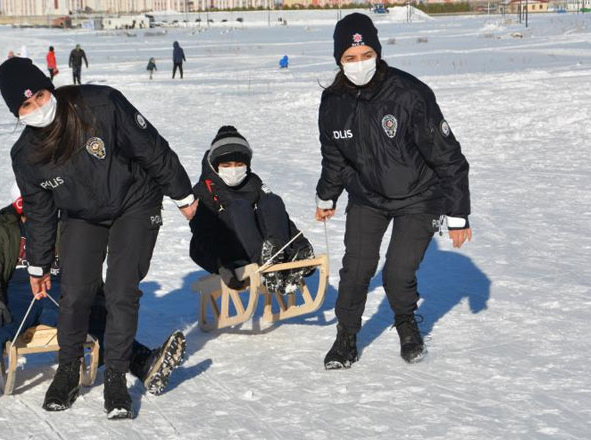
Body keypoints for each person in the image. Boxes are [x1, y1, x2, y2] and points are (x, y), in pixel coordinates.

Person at [0, 58, 197, 419]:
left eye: (40, 96)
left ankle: (117, 376)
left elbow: (151, 148)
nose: (37, 107)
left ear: (49, 87)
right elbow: (40, 213)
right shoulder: (26, 156)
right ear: (17, 112)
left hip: (134, 202)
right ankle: (68, 370)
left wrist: (182, 194)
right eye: (26, 105)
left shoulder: (101, 105)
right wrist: (39, 264)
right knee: (74, 292)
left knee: (121, 291)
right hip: (81, 215)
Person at [0, 185, 187, 409]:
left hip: (59, 286)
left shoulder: (64, 224)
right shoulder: (6, 228)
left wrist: (96, 296)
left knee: (88, 319)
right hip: (19, 289)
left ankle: (144, 362)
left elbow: (84, 262)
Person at [315, 14, 472, 369]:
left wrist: (459, 214)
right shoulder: (333, 102)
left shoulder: (409, 94)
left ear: (378, 52)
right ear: (339, 60)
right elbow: (334, 158)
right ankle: (346, 337)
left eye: (366, 54)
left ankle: (406, 323)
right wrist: (327, 196)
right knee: (356, 270)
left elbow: (448, 157)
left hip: (419, 197)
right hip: (368, 196)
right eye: (350, 58)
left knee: (397, 273)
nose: (359, 64)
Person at [190, 126, 314, 294]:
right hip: (225, 251)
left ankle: (282, 252)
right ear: (215, 165)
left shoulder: (254, 182)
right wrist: (221, 266)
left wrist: (300, 243)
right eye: (226, 164)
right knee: (239, 206)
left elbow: (278, 215)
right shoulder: (202, 190)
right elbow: (202, 235)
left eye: (239, 164)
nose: (233, 169)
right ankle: (265, 261)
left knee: (272, 200)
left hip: (260, 243)